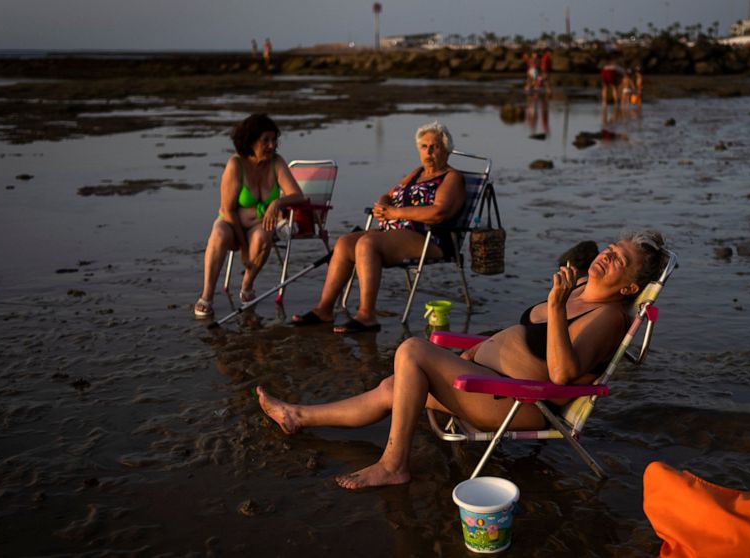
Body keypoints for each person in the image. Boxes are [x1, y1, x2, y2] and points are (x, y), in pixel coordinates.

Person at [259, 231, 667, 488]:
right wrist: (476, 351)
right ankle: (299, 416)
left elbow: (561, 374)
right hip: (492, 380)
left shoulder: (609, 316)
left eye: (619, 259)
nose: (607, 255)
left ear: (630, 286)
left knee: (412, 351)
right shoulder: (577, 284)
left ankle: (393, 465)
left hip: (521, 403)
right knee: (392, 387)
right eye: (611, 248)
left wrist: (556, 308)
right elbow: (524, 338)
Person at [290, 121, 465, 333]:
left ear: (446, 150)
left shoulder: (451, 177)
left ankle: (367, 315)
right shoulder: (418, 173)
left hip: (430, 238)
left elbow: (438, 212)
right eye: (424, 146)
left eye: (434, 146)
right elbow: (390, 194)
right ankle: (324, 310)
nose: (428, 151)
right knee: (345, 243)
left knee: (367, 243)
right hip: (397, 233)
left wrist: (396, 213)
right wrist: (383, 204)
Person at [194, 114, 304, 318]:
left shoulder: (276, 163)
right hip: (230, 222)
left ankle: (247, 286)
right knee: (218, 235)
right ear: (251, 141)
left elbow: (298, 195)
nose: (271, 146)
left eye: (274, 140)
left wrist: (277, 202)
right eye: (265, 141)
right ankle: (206, 295)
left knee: (264, 236)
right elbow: (227, 210)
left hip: (258, 226)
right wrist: (243, 246)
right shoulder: (236, 164)